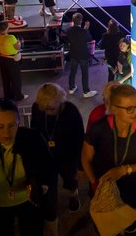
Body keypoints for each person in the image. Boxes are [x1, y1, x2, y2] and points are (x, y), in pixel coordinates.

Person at [82, 85, 136, 236]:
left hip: (134, 192)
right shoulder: (98, 129)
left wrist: (125, 170)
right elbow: (85, 159)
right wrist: (94, 184)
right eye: (129, 108)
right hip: (105, 194)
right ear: (114, 108)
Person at [0, 99, 56, 236]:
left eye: (12, 125)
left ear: (19, 122)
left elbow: (49, 165)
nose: (7, 133)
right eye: (0, 127)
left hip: (29, 200)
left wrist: (43, 186)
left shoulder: (32, 138)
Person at [30, 83, 85, 214]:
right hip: (45, 153)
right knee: (48, 181)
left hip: (67, 154)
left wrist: (81, 165)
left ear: (61, 102)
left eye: (52, 108)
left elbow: (79, 138)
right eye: (46, 109)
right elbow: (34, 128)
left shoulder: (71, 111)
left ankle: (73, 194)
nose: (49, 112)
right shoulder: (37, 108)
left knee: (70, 178)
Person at [64, 13, 98, 98]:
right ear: (81, 21)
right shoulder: (84, 31)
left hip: (73, 54)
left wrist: (84, 30)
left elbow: (68, 39)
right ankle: (86, 91)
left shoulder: (68, 30)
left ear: (72, 21)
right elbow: (89, 39)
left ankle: (71, 88)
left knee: (73, 71)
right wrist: (86, 29)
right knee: (84, 73)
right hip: (83, 55)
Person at [0, 21, 27, 103]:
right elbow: (17, 47)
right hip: (12, 59)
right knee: (16, 78)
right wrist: (19, 42)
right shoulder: (11, 37)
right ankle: (18, 96)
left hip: (2, 58)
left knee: (5, 78)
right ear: (6, 29)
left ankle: (8, 96)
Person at [100, 20, 125, 84]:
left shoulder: (105, 35)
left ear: (109, 27)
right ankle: (120, 87)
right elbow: (123, 44)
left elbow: (101, 47)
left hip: (109, 56)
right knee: (120, 71)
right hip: (119, 55)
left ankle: (110, 89)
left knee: (111, 73)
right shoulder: (120, 34)